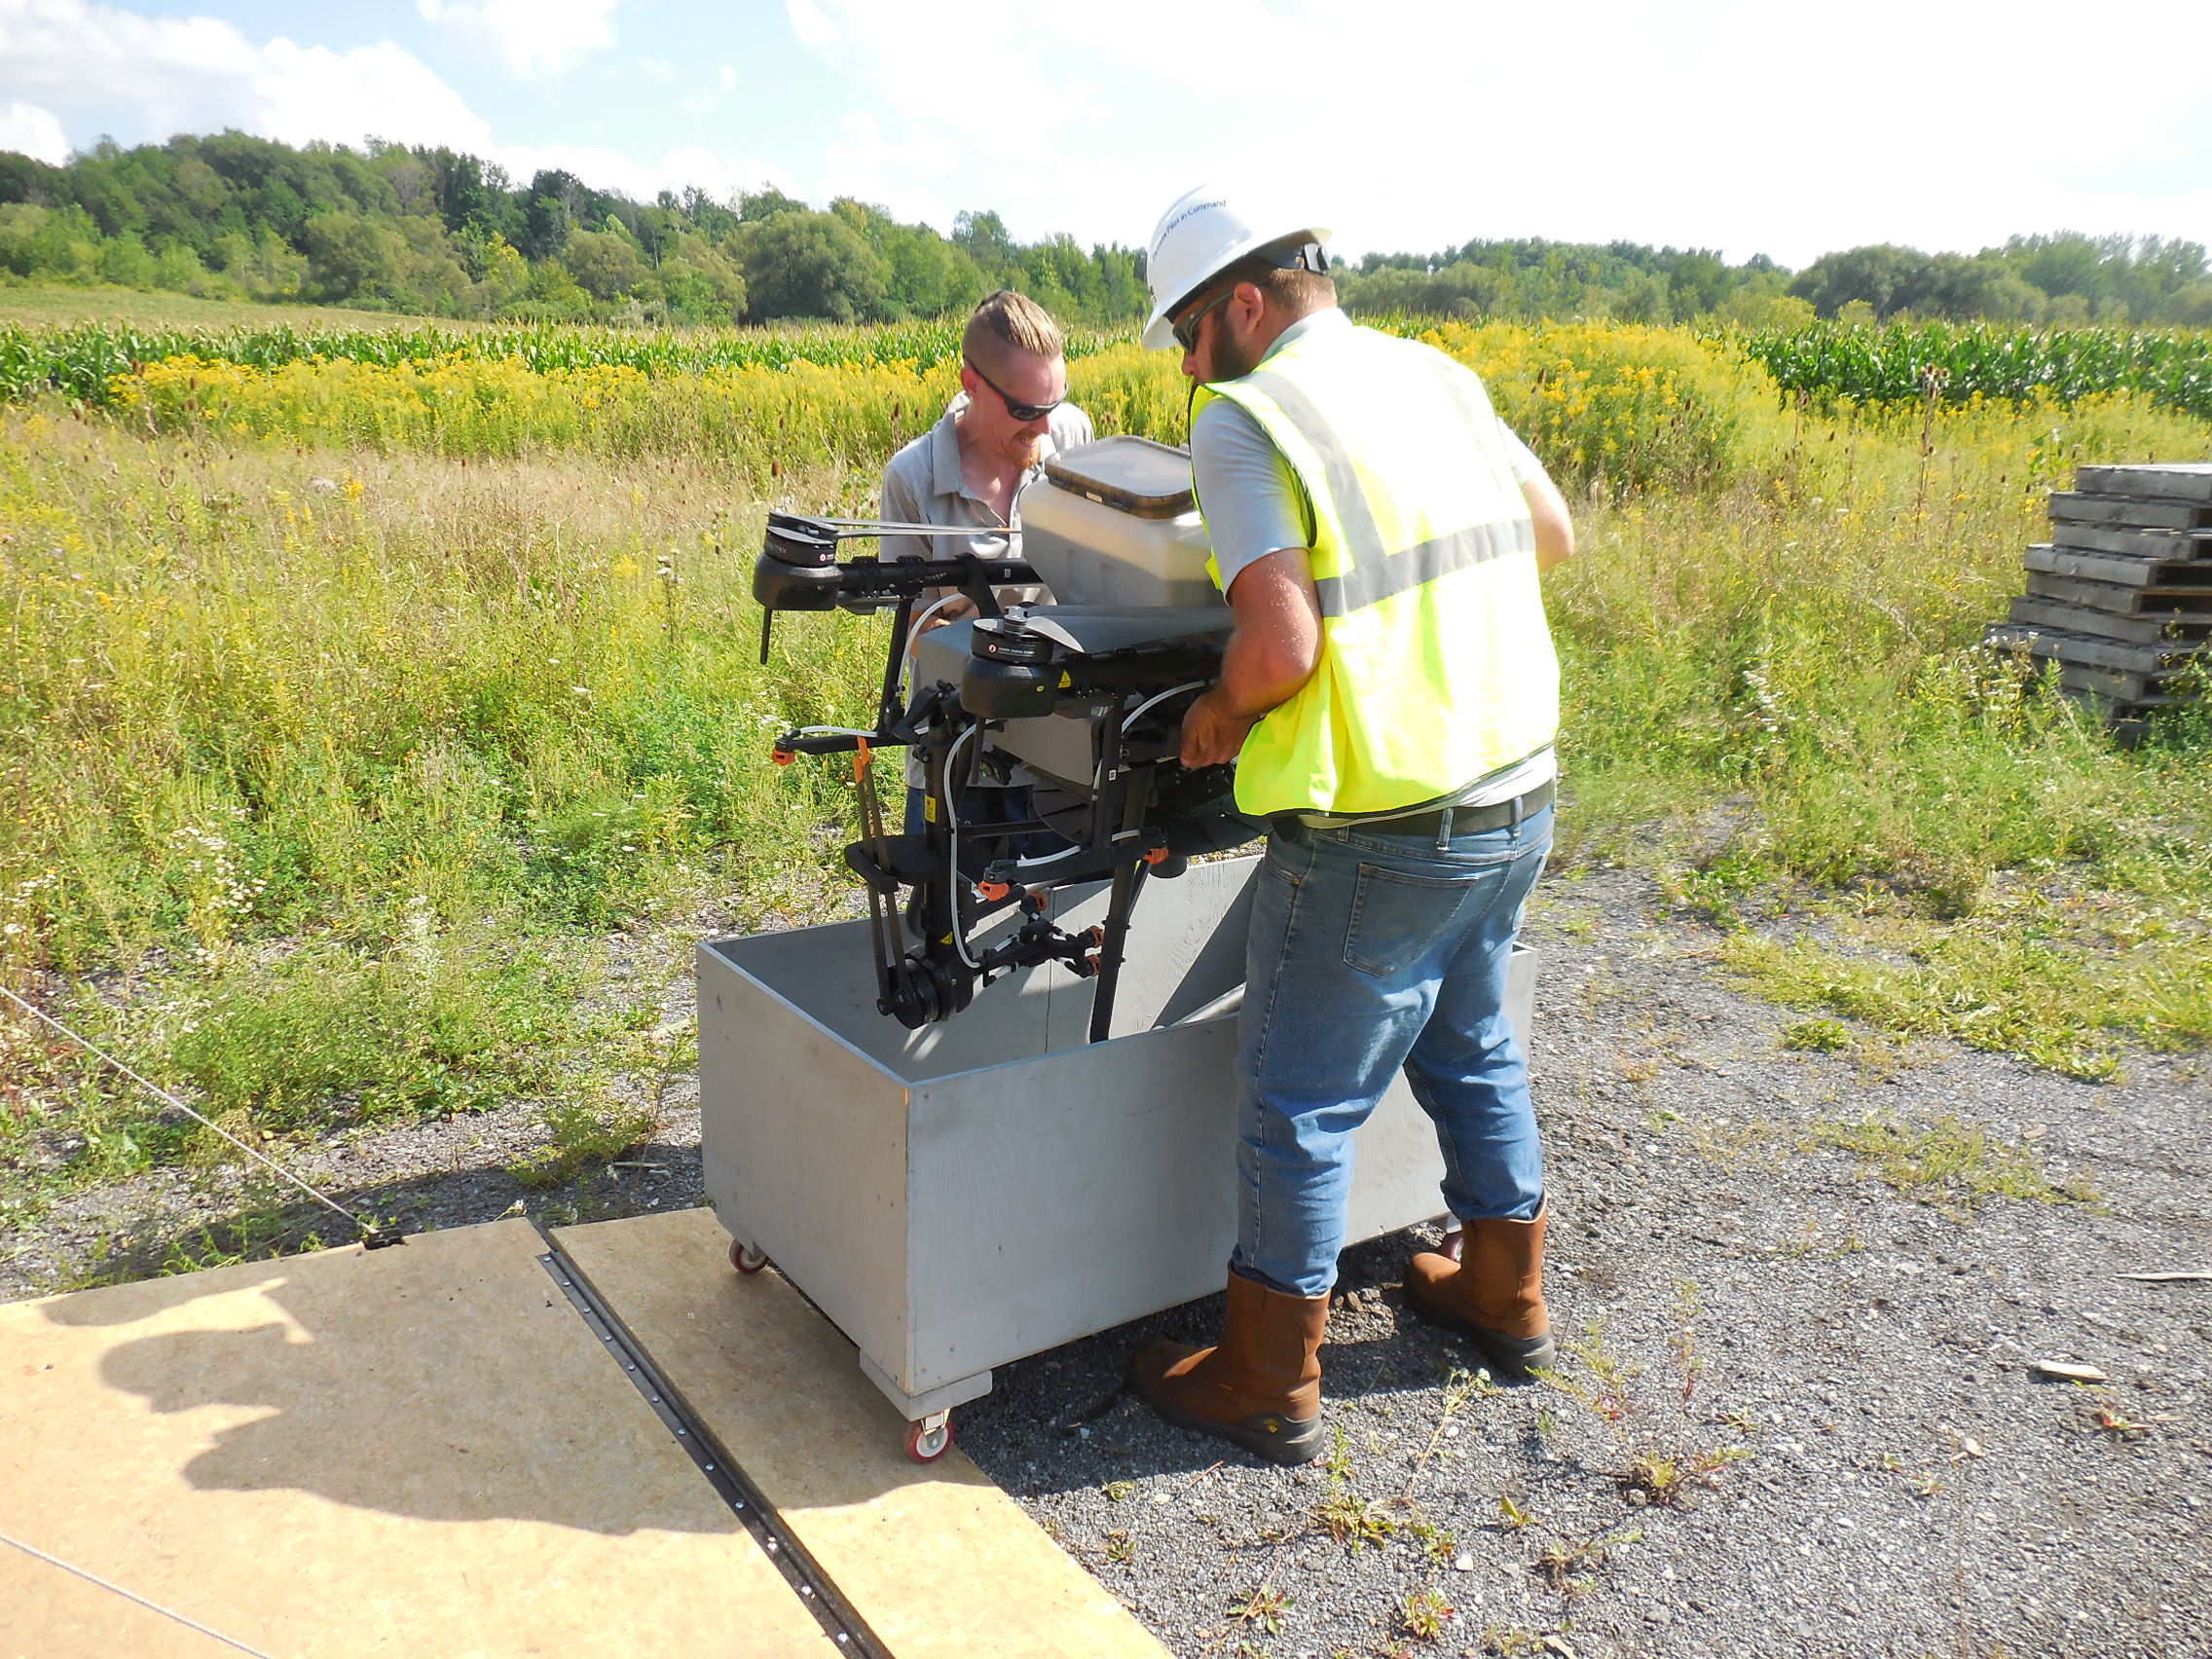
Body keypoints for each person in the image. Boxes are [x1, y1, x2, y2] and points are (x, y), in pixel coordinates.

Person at [1125, 187, 1576, 1466]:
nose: (1186, 365)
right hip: (1514, 783)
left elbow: (1279, 647)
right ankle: (1503, 1296)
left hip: (1382, 820)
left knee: (1299, 1100)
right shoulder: (1435, 375)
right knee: (1471, 1038)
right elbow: (1550, 534)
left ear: (1243, 304)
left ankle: (1269, 1375)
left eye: (1185, 335)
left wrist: (1219, 709)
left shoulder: (1247, 415)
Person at [878, 290, 1093, 845]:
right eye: (1024, 411)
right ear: (972, 384)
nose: (1044, 428)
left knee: (1058, 892)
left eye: (1054, 404)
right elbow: (914, 630)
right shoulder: (913, 478)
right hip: (959, 748)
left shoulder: (1072, 436)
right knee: (949, 892)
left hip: (1057, 743)